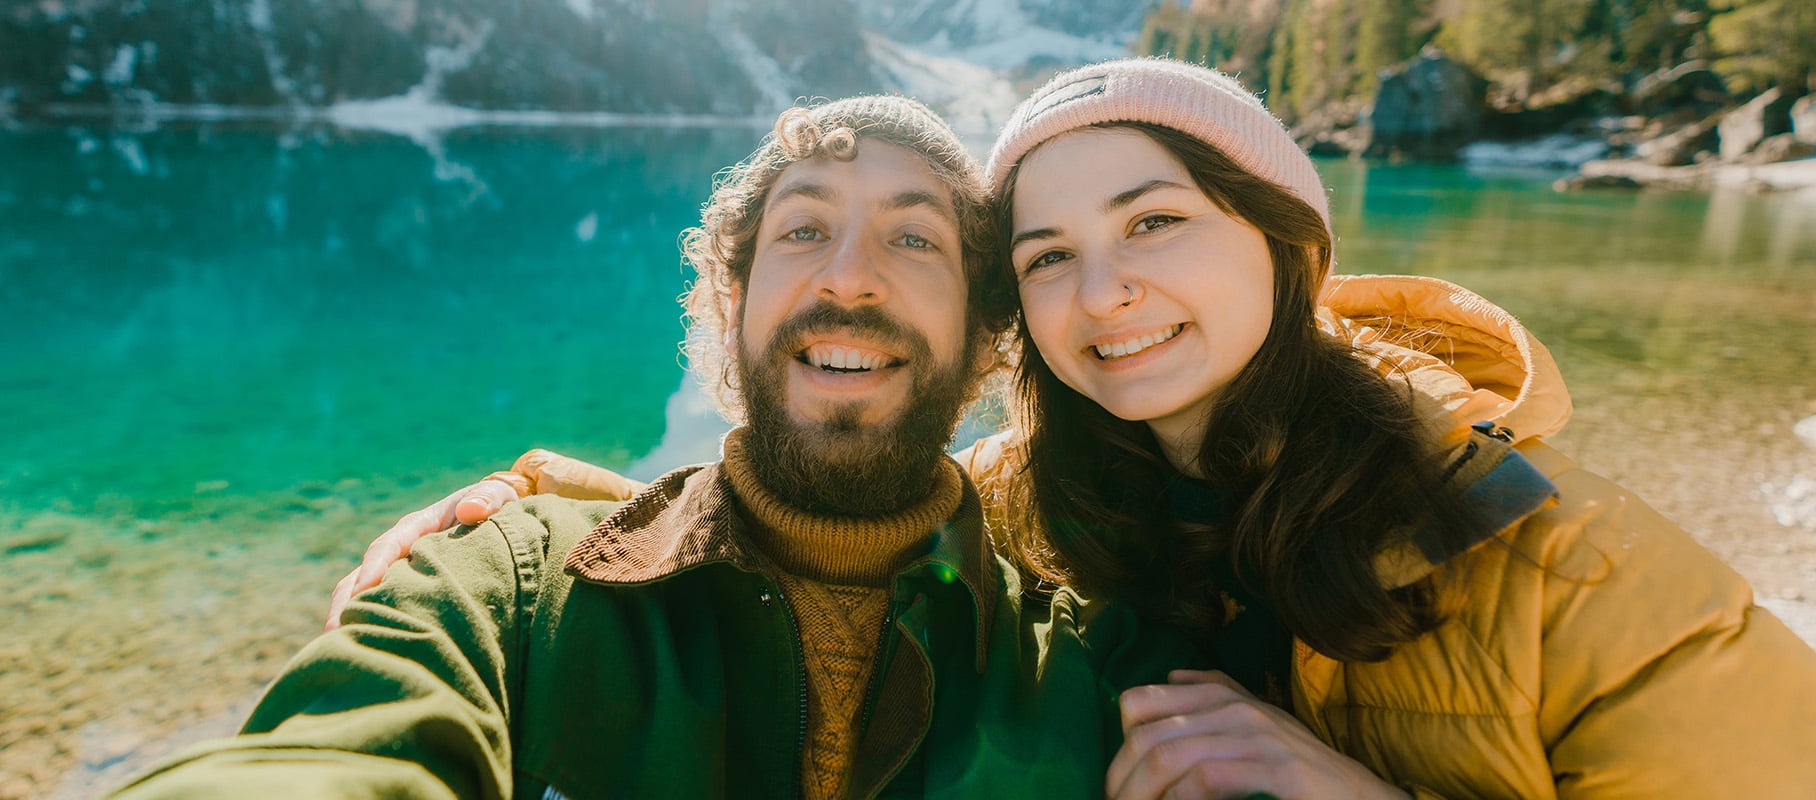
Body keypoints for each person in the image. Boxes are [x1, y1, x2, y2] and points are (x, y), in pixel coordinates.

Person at [352, 59, 1816, 798]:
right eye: (1048, 255)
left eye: (1157, 223)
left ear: (1288, 250)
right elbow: (820, 528)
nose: (1105, 294)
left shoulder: (1560, 556)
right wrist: (533, 520)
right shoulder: (1038, 505)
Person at [110, 95, 1196, 799]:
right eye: (803, 230)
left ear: (984, 334)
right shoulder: (514, 586)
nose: (849, 277)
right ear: (732, 304)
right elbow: (331, 756)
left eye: (913, 238)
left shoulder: (1101, 668)